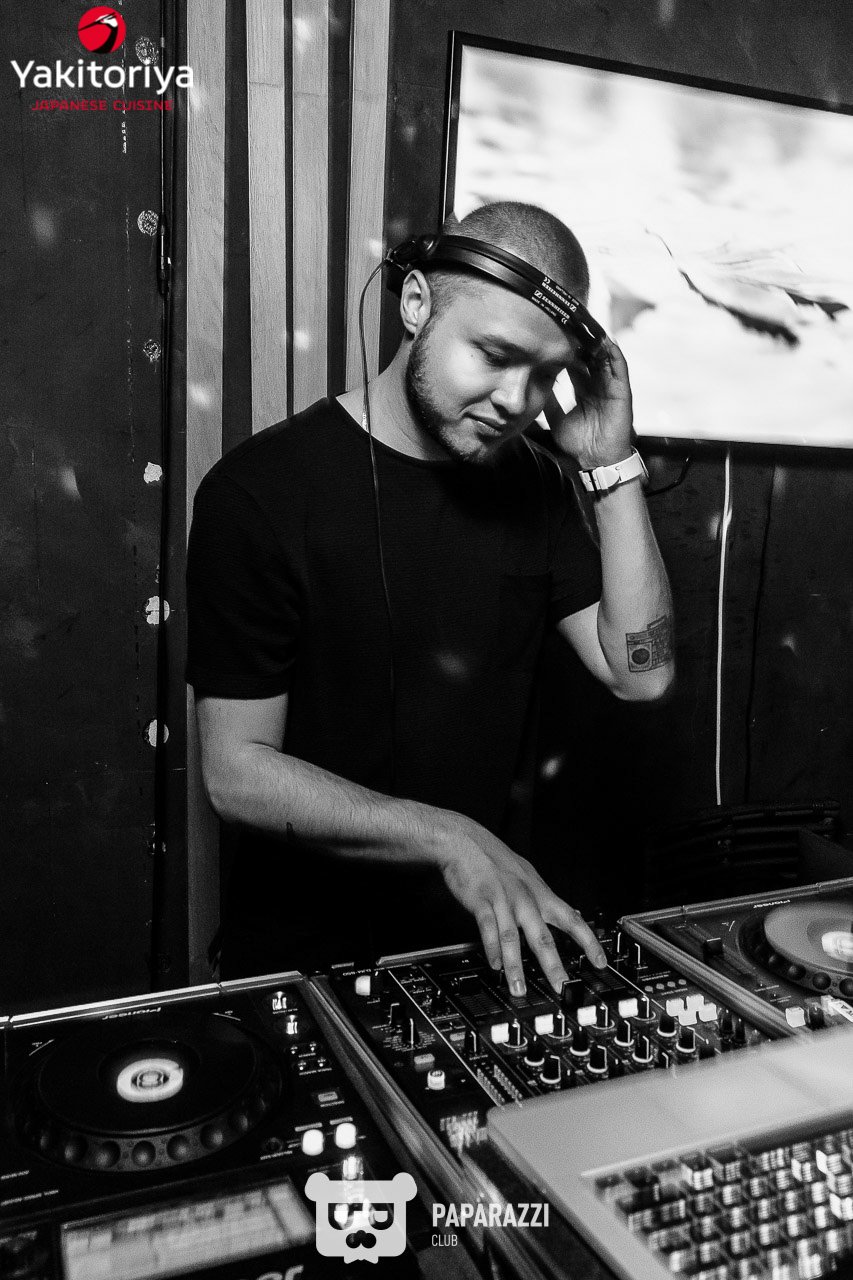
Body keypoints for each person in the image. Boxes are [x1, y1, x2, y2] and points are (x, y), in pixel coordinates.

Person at [186, 201, 674, 995]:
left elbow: (640, 673)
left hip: (483, 949)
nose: (516, 399)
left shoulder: (537, 488)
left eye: (545, 374)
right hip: (304, 960)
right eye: (494, 355)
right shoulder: (258, 494)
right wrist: (446, 836)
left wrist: (610, 466)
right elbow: (235, 773)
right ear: (415, 303)